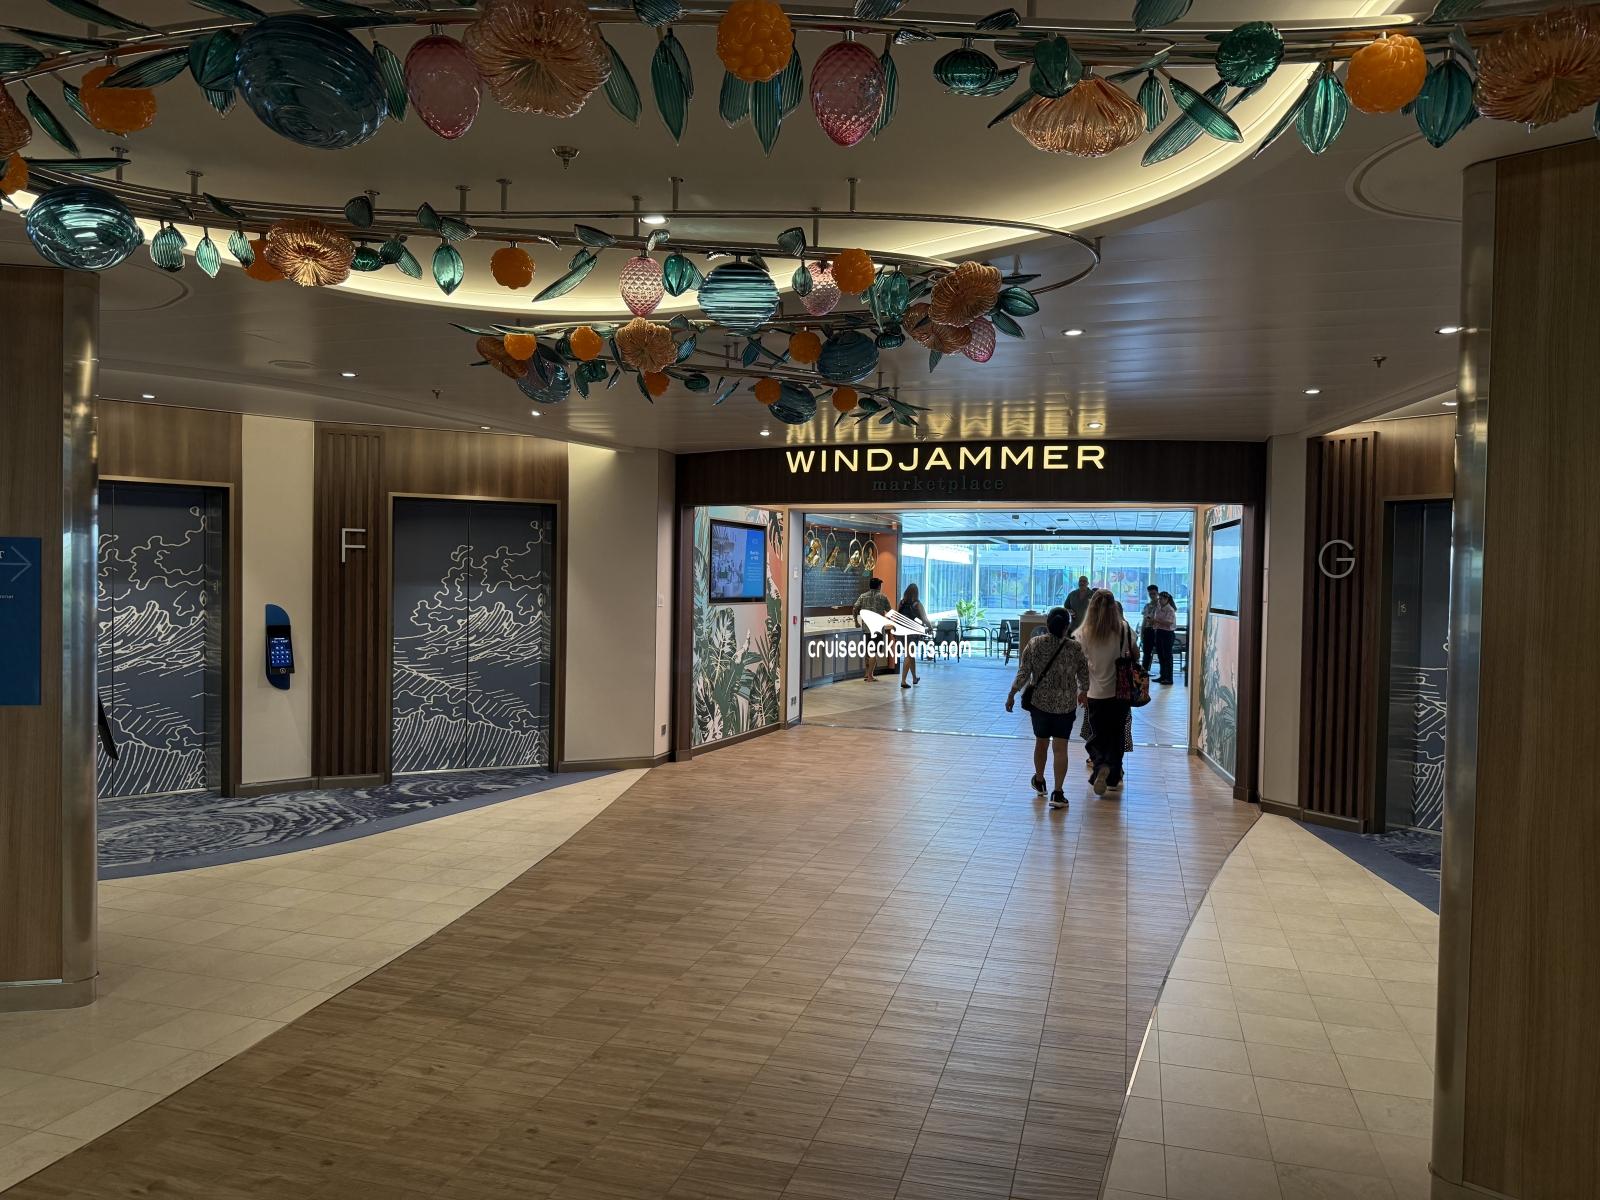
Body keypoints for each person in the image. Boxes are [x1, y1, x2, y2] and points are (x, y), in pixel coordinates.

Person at [1005, 606, 1090, 810]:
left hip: (1040, 704)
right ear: (1067, 626)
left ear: (1047, 624)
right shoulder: (1075, 648)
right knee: (1060, 749)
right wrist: (1084, 691)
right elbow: (1084, 674)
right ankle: (1058, 793)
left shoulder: (1035, 644)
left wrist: (1012, 693)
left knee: (1041, 743)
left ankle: (1040, 780)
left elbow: (1024, 672)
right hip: (1065, 705)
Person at [1076, 590, 1136, 796]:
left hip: (1094, 693)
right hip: (1120, 693)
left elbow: (1081, 667)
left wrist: (1081, 690)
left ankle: (1100, 764)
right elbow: (1135, 653)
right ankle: (1113, 778)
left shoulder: (1083, 633)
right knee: (1117, 734)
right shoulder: (1124, 629)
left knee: (1097, 735)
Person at [851, 576, 890, 682]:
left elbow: (855, 608)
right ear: (879, 586)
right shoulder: (883, 597)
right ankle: (870, 676)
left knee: (868, 652)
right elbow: (889, 611)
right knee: (874, 652)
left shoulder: (863, 596)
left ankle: (866, 673)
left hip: (866, 628)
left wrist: (856, 621)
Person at [897, 583, 930, 689]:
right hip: (911, 632)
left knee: (911, 655)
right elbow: (924, 618)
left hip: (901, 631)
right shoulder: (917, 604)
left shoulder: (901, 602)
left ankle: (914, 678)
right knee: (908, 655)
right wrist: (930, 627)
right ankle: (903, 681)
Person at [1153, 591, 1179, 685]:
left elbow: (1169, 622)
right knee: (1160, 655)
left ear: (1167, 599)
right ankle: (1162, 676)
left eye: (1161, 599)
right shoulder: (1159, 607)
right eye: (1159, 599)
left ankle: (1169, 678)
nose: (1159, 600)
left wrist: (1156, 621)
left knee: (1167, 656)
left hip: (1167, 633)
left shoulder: (1170, 609)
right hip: (1159, 632)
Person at [1140, 584, 1161, 674]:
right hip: (1148, 630)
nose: (1152, 596)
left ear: (1157, 593)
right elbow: (1144, 620)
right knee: (1146, 652)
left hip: (1157, 630)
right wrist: (1142, 633)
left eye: (1154, 593)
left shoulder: (1160, 606)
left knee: (1160, 652)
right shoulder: (1147, 606)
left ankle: (1163, 674)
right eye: (1150, 594)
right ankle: (1144, 671)